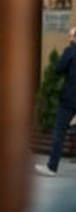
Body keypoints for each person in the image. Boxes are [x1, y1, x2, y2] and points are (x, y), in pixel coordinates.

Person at [35, 27, 76, 177]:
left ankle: (52, 167)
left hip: (69, 99)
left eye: (71, 36)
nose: (69, 38)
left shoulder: (70, 50)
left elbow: (58, 68)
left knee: (59, 132)